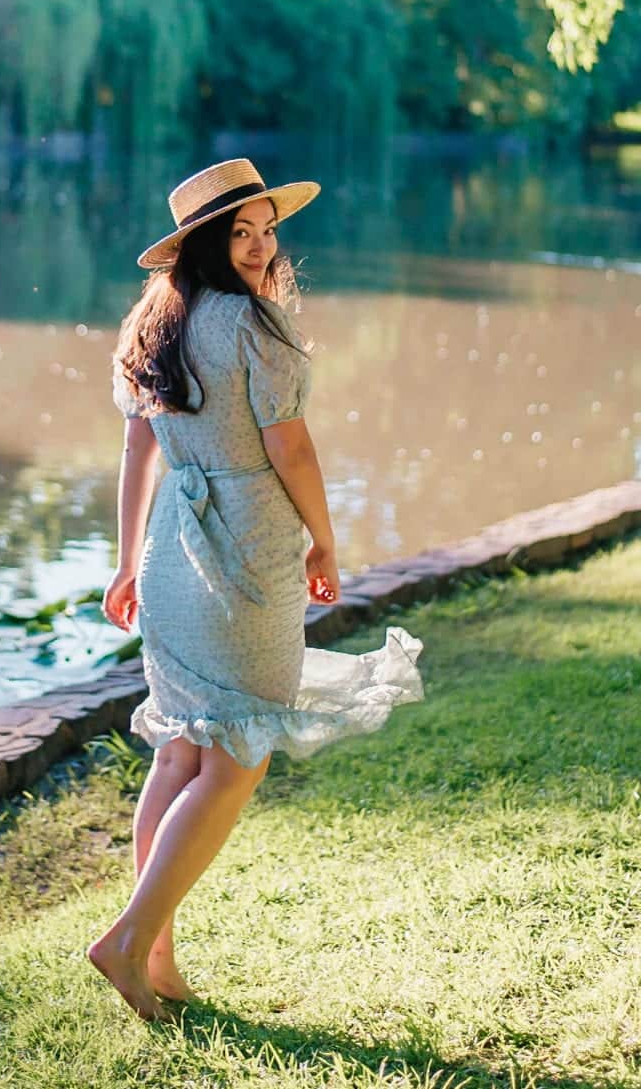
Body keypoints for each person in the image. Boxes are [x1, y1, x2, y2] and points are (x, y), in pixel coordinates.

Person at [87, 157, 424, 1020]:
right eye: (241, 231)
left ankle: (153, 951)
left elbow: (139, 450)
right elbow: (292, 450)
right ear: (203, 241)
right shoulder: (253, 325)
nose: (262, 243)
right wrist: (325, 536)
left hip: (171, 552)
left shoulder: (150, 323)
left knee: (181, 750)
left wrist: (127, 561)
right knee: (237, 755)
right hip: (244, 550)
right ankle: (131, 939)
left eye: (267, 227)